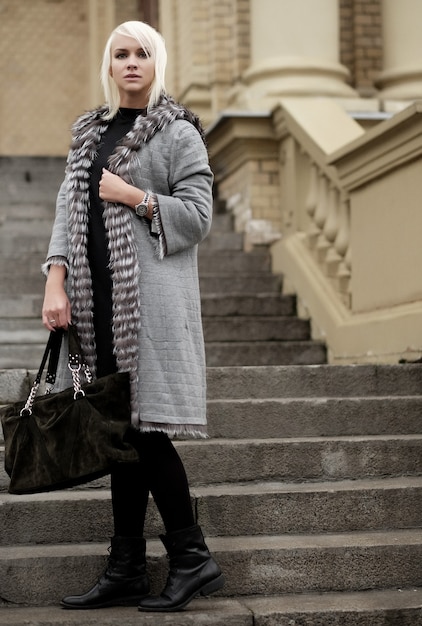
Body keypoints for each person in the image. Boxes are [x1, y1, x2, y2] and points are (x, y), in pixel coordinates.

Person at [41, 20, 224, 613]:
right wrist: (56, 278)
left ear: (158, 62)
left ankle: (192, 559)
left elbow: (198, 216)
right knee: (120, 434)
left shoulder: (177, 133)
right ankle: (125, 567)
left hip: (148, 308)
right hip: (94, 310)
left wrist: (133, 196)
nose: (131, 63)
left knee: (146, 433)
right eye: (121, 53)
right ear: (109, 64)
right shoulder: (88, 133)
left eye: (143, 53)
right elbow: (67, 211)